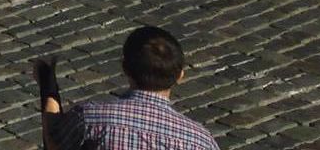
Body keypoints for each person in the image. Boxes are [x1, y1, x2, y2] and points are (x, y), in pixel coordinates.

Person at [41, 26, 219, 150]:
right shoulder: (199, 141)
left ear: (125, 68)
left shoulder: (90, 118)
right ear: (180, 76)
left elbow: (55, 142)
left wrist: (48, 88)